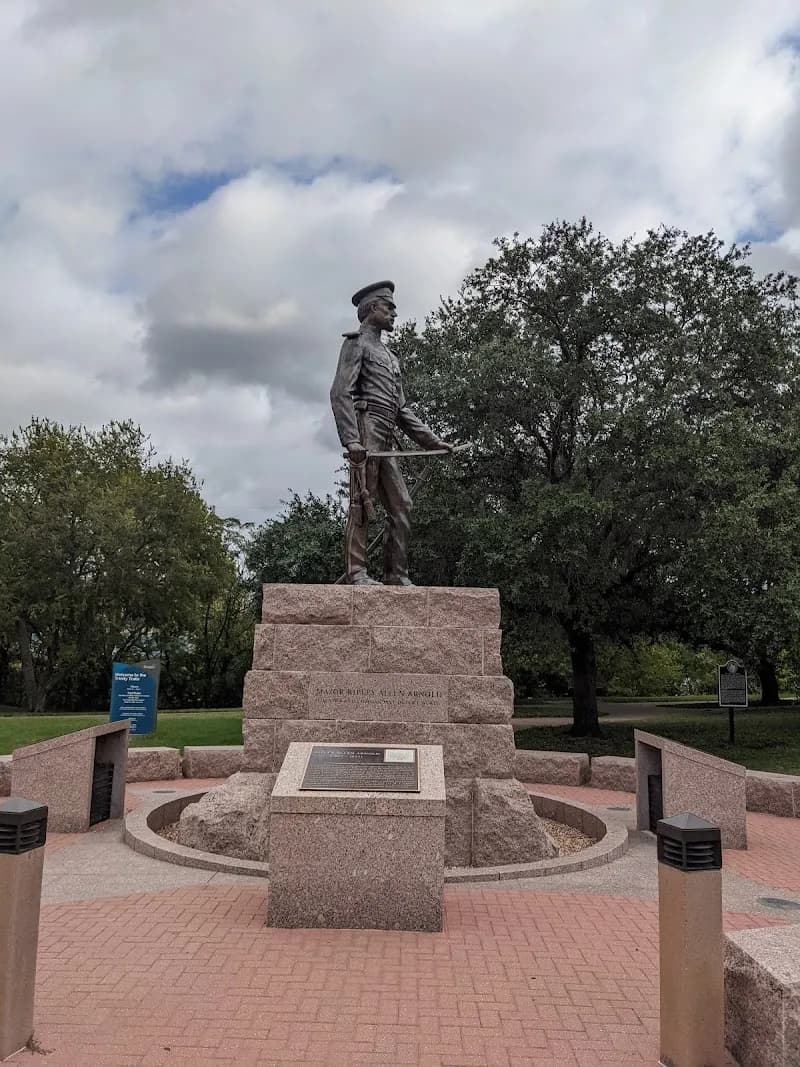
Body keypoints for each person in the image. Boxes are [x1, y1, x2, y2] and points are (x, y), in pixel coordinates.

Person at [330, 280, 452, 585]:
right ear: (373, 309)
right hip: (366, 428)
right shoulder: (355, 344)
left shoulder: (391, 356)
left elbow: (402, 410)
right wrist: (352, 440)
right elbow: (339, 393)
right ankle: (356, 572)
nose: (395, 313)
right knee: (362, 503)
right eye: (389, 307)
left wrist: (432, 441)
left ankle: (396, 575)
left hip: (386, 435)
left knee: (402, 505)